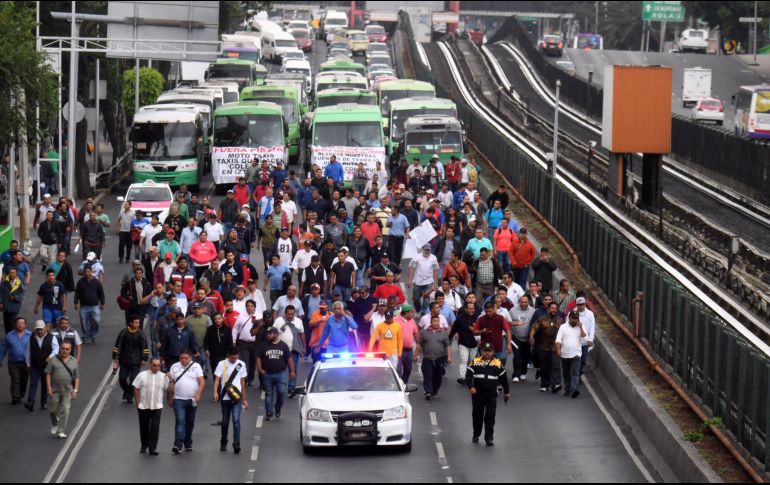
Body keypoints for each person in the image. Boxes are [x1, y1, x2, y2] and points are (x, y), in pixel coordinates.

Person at [465, 342, 510, 446]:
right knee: (477, 415)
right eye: (485, 351)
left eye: (489, 351)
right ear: (482, 351)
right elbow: (468, 376)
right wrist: (471, 387)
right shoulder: (475, 362)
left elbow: (504, 379)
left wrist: (507, 393)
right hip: (478, 394)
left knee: (490, 417)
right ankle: (476, 434)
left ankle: (489, 438)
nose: (487, 353)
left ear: (493, 352)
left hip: (491, 394)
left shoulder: (498, 363)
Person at [167, 349, 205, 454]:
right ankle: (178, 444)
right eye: (181, 358)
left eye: (186, 358)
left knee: (190, 422)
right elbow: (171, 384)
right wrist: (170, 397)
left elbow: (201, 382)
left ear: (190, 358)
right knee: (180, 421)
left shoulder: (196, 366)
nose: (183, 360)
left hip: (192, 399)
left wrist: (198, 394)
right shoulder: (174, 367)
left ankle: (188, 442)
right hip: (178, 399)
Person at [213, 346, 249, 453]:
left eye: (236, 358)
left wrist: (244, 398)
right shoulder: (222, 364)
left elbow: (242, 382)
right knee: (225, 421)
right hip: (225, 397)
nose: (234, 360)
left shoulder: (241, 364)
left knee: (236, 420)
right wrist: (215, 392)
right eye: (232, 358)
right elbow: (217, 380)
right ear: (228, 356)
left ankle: (236, 443)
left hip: (236, 397)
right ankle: (224, 440)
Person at [132, 357, 167, 455]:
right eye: (154, 365)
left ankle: (153, 448)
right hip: (143, 406)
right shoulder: (142, 375)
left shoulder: (164, 376)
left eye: (158, 365)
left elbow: (169, 390)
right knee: (144, 427)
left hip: (157, 406)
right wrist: (138, 402)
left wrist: (171, 380)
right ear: (150, 365)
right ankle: (144, 445)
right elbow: (136, 388)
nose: (156, 367)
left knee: (155, 427)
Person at [257, 326, 294, 421]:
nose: (268, 335)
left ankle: (278, 407)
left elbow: (289, 358)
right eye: (267, 333)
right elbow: (258, 358)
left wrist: (292, 371)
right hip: (267, 374)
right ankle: (269, 413)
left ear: (276, 334)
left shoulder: (283, 345)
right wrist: (260, 370)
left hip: (280, 374)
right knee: (269, 394)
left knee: (281, 392)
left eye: (270, 333)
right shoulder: (263, 345)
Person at [45, 340, 79, 438]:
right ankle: (55, 423)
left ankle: (60, 430)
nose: (64, 351)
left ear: (70, 350)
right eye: (63, 348)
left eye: (67, 349)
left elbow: (77, 377)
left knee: (65, 410)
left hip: (68, 390)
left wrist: (75, 390)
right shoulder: (53, 360)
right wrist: (49, 388)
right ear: (60, 348)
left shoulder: (74, 361)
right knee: (52, 411)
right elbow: (48, 374)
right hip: (55, 389)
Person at [529, 302, 565, 393]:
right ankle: (544, 384)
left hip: (555, 348)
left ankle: (556, 384)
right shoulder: (542, 319)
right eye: (552, 308)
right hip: (543, 347)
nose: (554, 310)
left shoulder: (561, 321)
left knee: (555, 366)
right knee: (544, 367)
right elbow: (534, 328)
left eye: (555, 309)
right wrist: (531, 337)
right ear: (548, 309)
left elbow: (566, 331)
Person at [113, 316, 150, 403]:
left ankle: (129, 395)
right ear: (131, 323)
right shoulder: (124, 333)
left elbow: (145, 347)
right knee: (122, 378)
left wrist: (144, 358)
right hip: (124, 361)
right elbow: (118, 345)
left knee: (133, 381)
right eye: (136, 322)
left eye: (138, 323)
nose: (138, 324)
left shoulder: (141, 334)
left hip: (135, 362)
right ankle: (127, 391)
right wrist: (116, 357)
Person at [24, 320, 59, 411]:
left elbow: (56, 349)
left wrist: (50, 357)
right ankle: (30, 402)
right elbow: (28, 351)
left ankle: (44, 402)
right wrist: (28, 363)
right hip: (35, 365)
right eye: (37, 329)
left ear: (44, 328)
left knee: (45, 384)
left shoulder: (51, 337)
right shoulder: (31, 337)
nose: (39, 331)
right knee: (33, 383)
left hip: (46, 366)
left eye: (40, 329)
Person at [415, 315, 451, 400]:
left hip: (439, 359)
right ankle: (428, 392)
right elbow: (419, 344)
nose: (436, 323)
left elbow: (448, 345)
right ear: (430, 322)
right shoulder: (424, 333)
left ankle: (434, 390)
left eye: (438, 321)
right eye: (434, 321)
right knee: (427, 376)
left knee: (438, 377)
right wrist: (416, 355)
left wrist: (449, 357)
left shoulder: (443, 334)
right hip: (427, 359)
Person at [272, 305, 304, 396]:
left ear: (294, 314)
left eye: (292, 314)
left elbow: (302, 335)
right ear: (285, 313)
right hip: (279, 350)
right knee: (279, 369)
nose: (290, 316)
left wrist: (304, 347)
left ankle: (291, 388)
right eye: (288, 314)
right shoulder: (278, 320)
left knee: (293, 369)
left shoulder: (299, 321)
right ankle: (279, 386)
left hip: (293, 351)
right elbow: (273, 332)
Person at [0, 317, 31, 405]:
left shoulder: (30, 335)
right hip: (13, 362)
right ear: (15, 324)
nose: (20, 324)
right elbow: (3, 348)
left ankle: (21, 394)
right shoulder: (9, 335)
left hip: (26, 362)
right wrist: (0, 359)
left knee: (24, 380)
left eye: (22, 323)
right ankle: (15, 397)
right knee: (15, 379)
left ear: (25, 325)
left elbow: (34, 349)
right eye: (18, 323)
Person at [556, 311, 586, 398]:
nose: (574, 320)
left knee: (575, 373)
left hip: (576, 353)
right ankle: (567, 389)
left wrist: (580, 327)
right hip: (565, 354)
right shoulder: (563, 327)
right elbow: (558, 340)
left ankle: (574, 389)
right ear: (569, 318)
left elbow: (585, 339)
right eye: (573, 318)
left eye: (576, 318)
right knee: (566, 372)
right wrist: (558, 350)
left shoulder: (581, 327)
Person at [232, 300, 262, 387]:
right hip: (243, 343)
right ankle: (244, 379)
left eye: (252, 306)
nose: (250, 307)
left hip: (255, 344)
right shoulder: (241, 316)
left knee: (253, 362)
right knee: (244, 362)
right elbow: (235, 329)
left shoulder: (259, 316)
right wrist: (233, 341)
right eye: (248, 306)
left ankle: (251, 379)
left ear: (255, 307)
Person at [473, 301, 513, 366]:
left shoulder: (501, 318)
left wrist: (509, 344)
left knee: (501, 361)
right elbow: (474, 332)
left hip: (498, 346)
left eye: (490, 311)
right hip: (485, 347)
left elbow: (507, 331)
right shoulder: (481, 319)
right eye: (486, 311)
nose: (488, 313)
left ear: (494, 309)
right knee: (487, 365)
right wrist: (482, 331)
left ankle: (500, 374)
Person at [449, 301, 480, 385]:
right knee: (464, 360)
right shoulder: (460, 318)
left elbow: (481, 330)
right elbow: (453, 330)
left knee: (471, 362)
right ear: (465, 309)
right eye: (469, 309)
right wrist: (449, 340)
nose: (471, 310)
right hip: (463, 343)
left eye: (473, 309)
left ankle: (469, 376)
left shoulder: (478, 318)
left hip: (474, 344)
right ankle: (462, 377)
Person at [73, 266, 105, 344]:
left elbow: (101, 293)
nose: (87, 273)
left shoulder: (96, 282)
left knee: (96, 321)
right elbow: (77, 293)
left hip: (94, 306)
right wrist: (76, 303)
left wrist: (102, 303)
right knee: (84, 322)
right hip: (84, 306)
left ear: (91, 272)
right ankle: (85, 336)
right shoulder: (80, 282)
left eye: (88, 272)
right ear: (83, 273)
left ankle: (93, 334)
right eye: (85, 272)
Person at [509, 295, 535, 383]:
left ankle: (523, 372)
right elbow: (507, 322)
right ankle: (516, 374)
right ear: (519, 302)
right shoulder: (512, 310)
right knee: (517, 356)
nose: (523, 304)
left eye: (525, 302)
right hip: (515, 337)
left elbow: (535, 324)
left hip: (527, 338)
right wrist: (516, 323)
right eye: (522, 302)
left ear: (528, 302)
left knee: (525, 356)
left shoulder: (532, 311)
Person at [407, 244, 439, 315]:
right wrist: (409, 280)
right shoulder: (416, 257)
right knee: (416, 298)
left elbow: (435, 270)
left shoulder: (433, 258)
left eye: (428, 250)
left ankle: (424, 313)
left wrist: (435, 283)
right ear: (423, 249)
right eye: (426, 249)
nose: (427, 251)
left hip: (428, 281)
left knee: (427, 298)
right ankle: (418, 310)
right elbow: (412, 268)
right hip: (417, 281)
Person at [0, 267, 25, 335]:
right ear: (8, 273)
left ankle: (14, 338)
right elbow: (0, 293)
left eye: (14, 273)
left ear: (16, 273)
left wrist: (14, 297)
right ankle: (8, 338)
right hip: (6, 307)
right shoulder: (4, 283)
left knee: (14, 324)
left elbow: (22, 294)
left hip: (15, 307)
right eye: (11, 273)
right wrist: (0, 302)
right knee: (7, 324)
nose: (12, 274)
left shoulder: (19, 283)